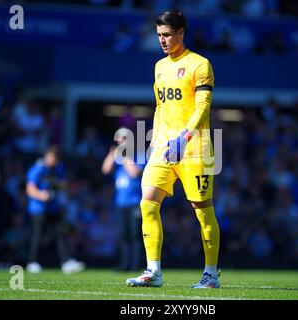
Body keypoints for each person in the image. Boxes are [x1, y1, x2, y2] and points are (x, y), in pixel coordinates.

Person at [126, 10, 220, 288]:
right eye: (159, 36)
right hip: (165, 147)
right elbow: (160, 106)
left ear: (181, 32)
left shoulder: (200, 64)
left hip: (195, 148)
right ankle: (153, 271)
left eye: (167, 35)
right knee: (147, 202)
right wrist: (156, 136)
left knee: (202, 210)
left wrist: (185, 137)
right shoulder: (159, 66)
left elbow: (203, 107)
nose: (162, 41)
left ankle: (211, 274)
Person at [25, 145, 85, 274]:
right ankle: (32, 262)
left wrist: (56, 184)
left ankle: (66, 262)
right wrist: (41, 195)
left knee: (60, 232)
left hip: (53, 206)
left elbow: (64, 184)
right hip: (38, 207)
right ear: (47, 156)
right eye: (53, 158)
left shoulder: (58, 167)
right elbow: (30, 189)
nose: (54, 161)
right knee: (37, 234)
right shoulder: (37, 169)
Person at [102, 127, 144, 271]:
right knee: (123, 234)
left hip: (135, 202)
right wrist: (112, 154)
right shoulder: (117, 158)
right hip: (121, 202)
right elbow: (105, 169)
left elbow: (134, 173)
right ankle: (125, 264)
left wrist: (125, 156)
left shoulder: (138, 156)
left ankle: (135, 265)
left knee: (135, 234)